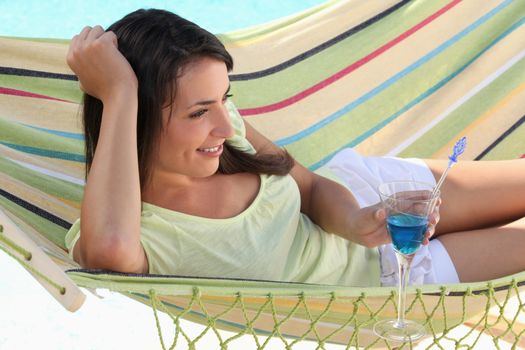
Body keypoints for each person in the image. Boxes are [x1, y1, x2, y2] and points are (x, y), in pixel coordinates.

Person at [65, 9, 525, 287]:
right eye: (198, 112)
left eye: (226, 98)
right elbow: (109, 255)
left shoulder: (226, 133)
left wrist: (356, 223)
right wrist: (119, 92)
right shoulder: (128, 232)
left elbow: (308, 187)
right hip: (391, 284)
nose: (226, 125)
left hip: (375, 199)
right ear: (134, 115)